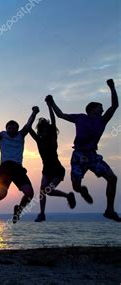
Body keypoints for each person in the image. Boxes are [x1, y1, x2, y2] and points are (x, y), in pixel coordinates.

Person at [46, 79, 119, 222]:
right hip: (78, 156)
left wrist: (112, 87)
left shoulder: (103, 120)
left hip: (92, 155)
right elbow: (61, 115)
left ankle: (109, 210)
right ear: (92, 109)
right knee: (76, 186)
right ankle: (82, 190)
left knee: (113, 178)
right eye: (100, 107)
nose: (103, 110)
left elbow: (115, 105)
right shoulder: (80, 118)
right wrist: (52, 102)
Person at [0, 106, 39, 223]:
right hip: (5, 168)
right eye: (9, 127)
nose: (12, 129)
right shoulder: (2, 135)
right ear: (6, 128)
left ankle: (18, 210)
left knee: (30, 193)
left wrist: (34, 112)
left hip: (18, 168)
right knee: (2, 194)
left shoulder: (21, 135)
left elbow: (28, 124)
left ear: (17, 129)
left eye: (14, 127)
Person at [29, 101, 76, 222]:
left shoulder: (53, 137)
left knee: (47, 191)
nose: (44, 132)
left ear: (49, 131)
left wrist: (50, 106)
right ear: (40, 131)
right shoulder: (39, 140)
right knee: (42, 191)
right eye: (41, 130)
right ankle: (42, 213)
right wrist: (33, 113)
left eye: (46, 130)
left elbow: (53, 122)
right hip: (46, 170)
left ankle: (67, 196)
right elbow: (28, 128)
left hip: (57, 169)